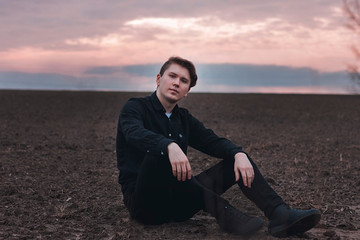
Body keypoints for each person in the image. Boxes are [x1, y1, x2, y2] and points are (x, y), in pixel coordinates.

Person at [116, 56, 321, 238]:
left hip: (178, 204)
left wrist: (239, 154)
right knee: (160, 155)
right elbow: (133, 133)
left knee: (236, 158)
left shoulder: (183, 119)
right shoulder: (135, 108)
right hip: (145, 205)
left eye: (184, 81)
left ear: (187, 91)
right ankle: (225, 213)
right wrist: (168, 145)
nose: (177, 83)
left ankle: (280, 215)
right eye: (172, 76)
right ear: (159, 79)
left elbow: (212, 141)